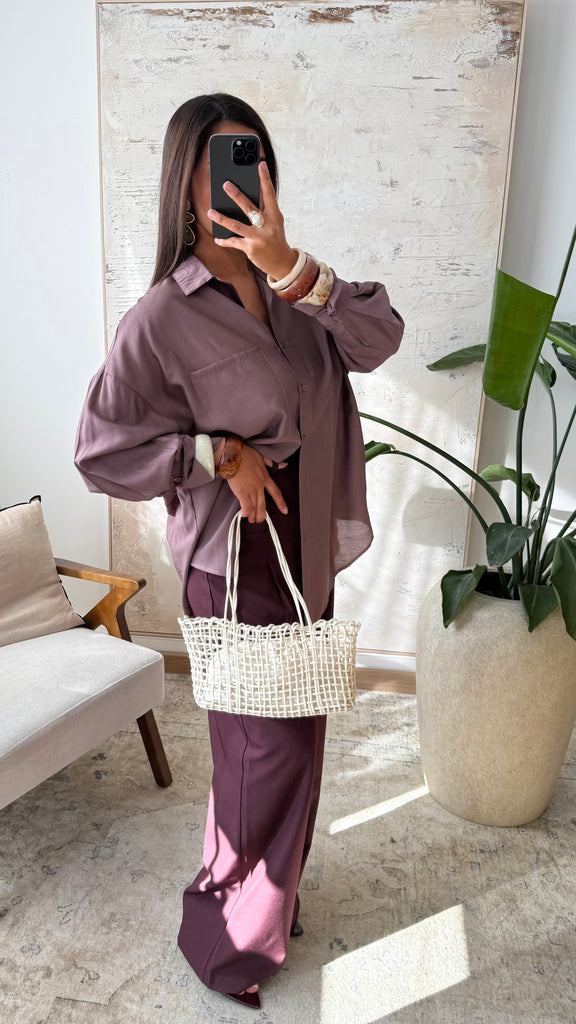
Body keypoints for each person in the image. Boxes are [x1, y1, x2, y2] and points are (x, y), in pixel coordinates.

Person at [74, 92, 405, 1010]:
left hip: (306, 540)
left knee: (295, 739)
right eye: (221, 162)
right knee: (266, 751)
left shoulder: (298, 293)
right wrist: (216, 453)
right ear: (185, 186)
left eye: (254, 157)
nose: (242, 178)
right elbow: (99, 449)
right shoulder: (161, 318)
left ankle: (271, 900)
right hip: (237, 559)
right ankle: (225, 942)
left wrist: (294, 268)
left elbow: (380, 339)